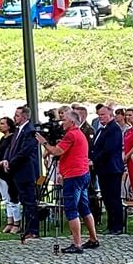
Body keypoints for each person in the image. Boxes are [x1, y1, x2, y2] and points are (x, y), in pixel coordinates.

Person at [41, 106, 98, 253]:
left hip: (74, 175)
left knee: (71, 209)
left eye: (64, 120)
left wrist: (44, 142)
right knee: (84, 208)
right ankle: (93, 238)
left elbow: (56, 151)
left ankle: (77, 244)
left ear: (72, 122)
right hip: (83, 173)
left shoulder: (71, 135)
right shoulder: (78, 133)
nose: (62, 122)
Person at [5, 105, 44, 241]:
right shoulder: (18, 130)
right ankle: (27, 228)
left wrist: (11, 162)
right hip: (18, 171)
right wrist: (6, 160)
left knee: (30, 201)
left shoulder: (29, 131)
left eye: (17, 115)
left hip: (26, 171)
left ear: (25, 117)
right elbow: (11, 147)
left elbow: (24, 152)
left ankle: (33, 230)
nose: (14, 117)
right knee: (24, 201)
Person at [90, 103, 126, 235]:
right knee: (106, 197)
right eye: (99, 115)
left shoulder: (114, 129)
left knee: (114, 197)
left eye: (103, 114)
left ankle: (117, 225)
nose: (101, 117)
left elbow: (108, 149)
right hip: (103, 169)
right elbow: (96, 147)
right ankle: (111, 224)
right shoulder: (102, 129)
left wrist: (94, 160)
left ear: (110, 115)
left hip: (112, 168)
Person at [0, 115, 20, 234]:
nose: (0, 126)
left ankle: (17, 222)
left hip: (7, 172)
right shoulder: (3, 139)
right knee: (5, 198)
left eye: (3, 123)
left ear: (9, 126)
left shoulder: (12, 139)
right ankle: (10, 221)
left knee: (12, 197)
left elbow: (6, 157)